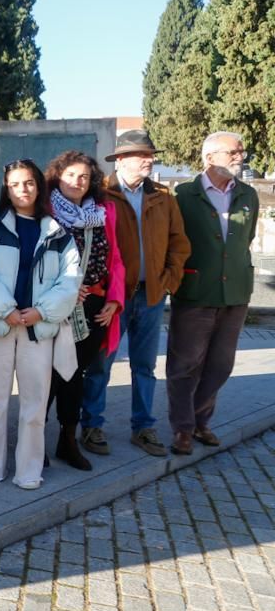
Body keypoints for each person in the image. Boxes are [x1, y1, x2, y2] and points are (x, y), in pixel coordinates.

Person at [0, 159, 81, 489]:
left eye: (28, 183)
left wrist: (42, 311)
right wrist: (5, 310)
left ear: (38, 186)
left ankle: (29, 469)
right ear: (6, 188)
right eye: (15, 184)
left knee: (34, 402)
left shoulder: (57, 233)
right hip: (1, 326)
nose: (22, 190)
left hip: (37, 328)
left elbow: (70, 279)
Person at [83, 131, 189, 457]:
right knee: (101, 362)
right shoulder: (102, 196)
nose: (148, 160)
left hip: (153, 295)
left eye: (150, 155)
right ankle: (91, 425)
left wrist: (169, 280)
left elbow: (179, 243)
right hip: (114, 298)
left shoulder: (163, 197)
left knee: (144, 366)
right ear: (122, 160)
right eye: (141, 155)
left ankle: (143, 427)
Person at [166, 131, 259, 455]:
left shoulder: (248, 194)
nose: (240, 156)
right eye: (233, 151)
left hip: (234, 293)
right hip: (195, 292)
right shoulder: (184, 195)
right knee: (185, 365)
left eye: (241, 151)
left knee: (221, 365)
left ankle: (202, 422)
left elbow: (244, 241)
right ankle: (183, 429)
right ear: (209, 158)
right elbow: (175, 242)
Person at [43, 151, 125, 470]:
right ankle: (34, 443)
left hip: (94, 306)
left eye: (85, 177)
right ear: (57, 177)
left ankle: (67, 440)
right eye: (71, 175)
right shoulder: (46, 211)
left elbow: (116, 260)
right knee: (49, 375)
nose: (78, 182)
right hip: (56, 305)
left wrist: (114, 301)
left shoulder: (104, 212)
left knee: (75, 374)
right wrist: (63, 289)